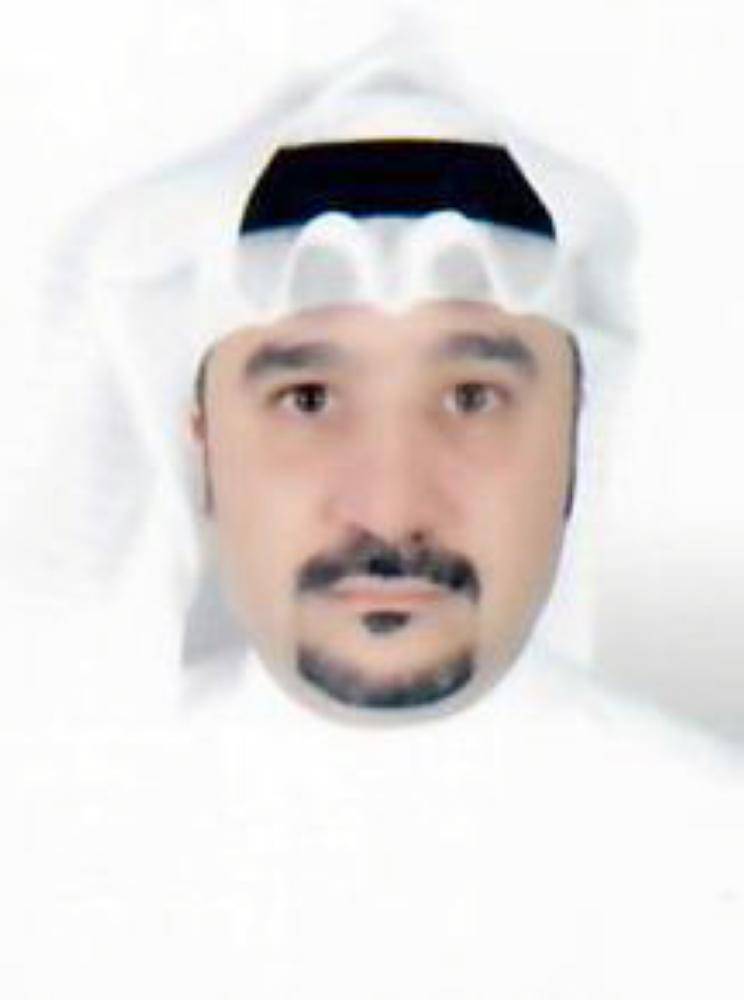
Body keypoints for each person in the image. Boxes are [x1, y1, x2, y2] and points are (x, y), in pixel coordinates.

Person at [19, 27, 741, 999]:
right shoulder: (53, 880)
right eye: (309, 397)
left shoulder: (710, 854)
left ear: (573, 433)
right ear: (201, 442)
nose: (392, 508)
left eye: (472, 397)